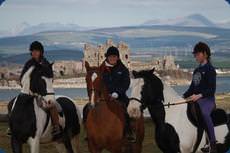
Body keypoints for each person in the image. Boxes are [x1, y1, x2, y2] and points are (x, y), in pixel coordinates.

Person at [20, 41, 62, 140]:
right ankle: (13, 127)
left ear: (41, 52)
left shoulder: (45, 63)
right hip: (29, 92)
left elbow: (49, 78)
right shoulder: (28, 64)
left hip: (42, 93)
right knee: (15, 104)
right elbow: (22, 77)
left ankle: (56, 126)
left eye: (36, 51)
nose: (34, 53)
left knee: (51, 105)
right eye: (33, 51)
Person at [183, 42, 217, 153]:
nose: (195, 57)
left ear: (205, 54)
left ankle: (212, 144)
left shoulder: (210, 70)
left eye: (197, 54)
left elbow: (212, 89)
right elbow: (192, 87)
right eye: (195, 55)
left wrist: (199, 95)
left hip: (208, 100)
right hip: (197, 99)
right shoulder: (197, 71)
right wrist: (183, 97)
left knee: (204, 114)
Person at [100, 46, 136, 142]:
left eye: (114, 56)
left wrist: (117, 93)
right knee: (89, 108)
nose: (112, 58)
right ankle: (90, 132)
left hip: (120, 96)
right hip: (104, 97)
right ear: (107, 57)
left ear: (118, 57)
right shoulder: (101, 69)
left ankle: (128, 131)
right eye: (110, 56)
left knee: (127, 109)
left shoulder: (123, 69)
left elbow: (126, 83)